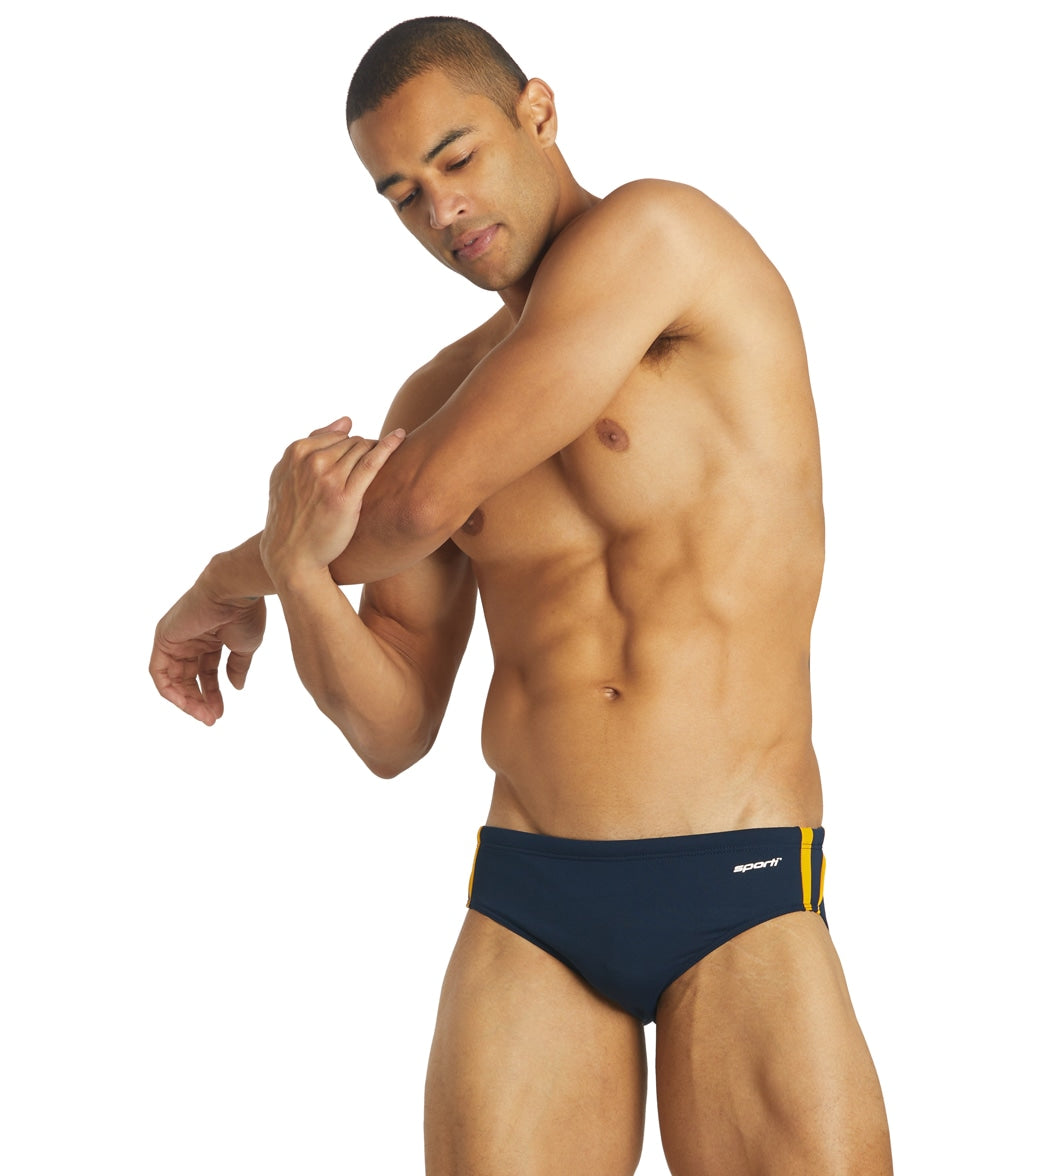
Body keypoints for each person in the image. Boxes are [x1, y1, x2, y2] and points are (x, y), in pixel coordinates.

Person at [150, 16, 892, 1174]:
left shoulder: (664, 236)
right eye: (402, 193)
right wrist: (293, 576)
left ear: (538, 113)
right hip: (530, 894)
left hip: (740, 880)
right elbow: (393, 730)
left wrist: (218, 580)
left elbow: (411, 508)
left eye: (457, 157)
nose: (442, 210)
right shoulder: (436, 398)